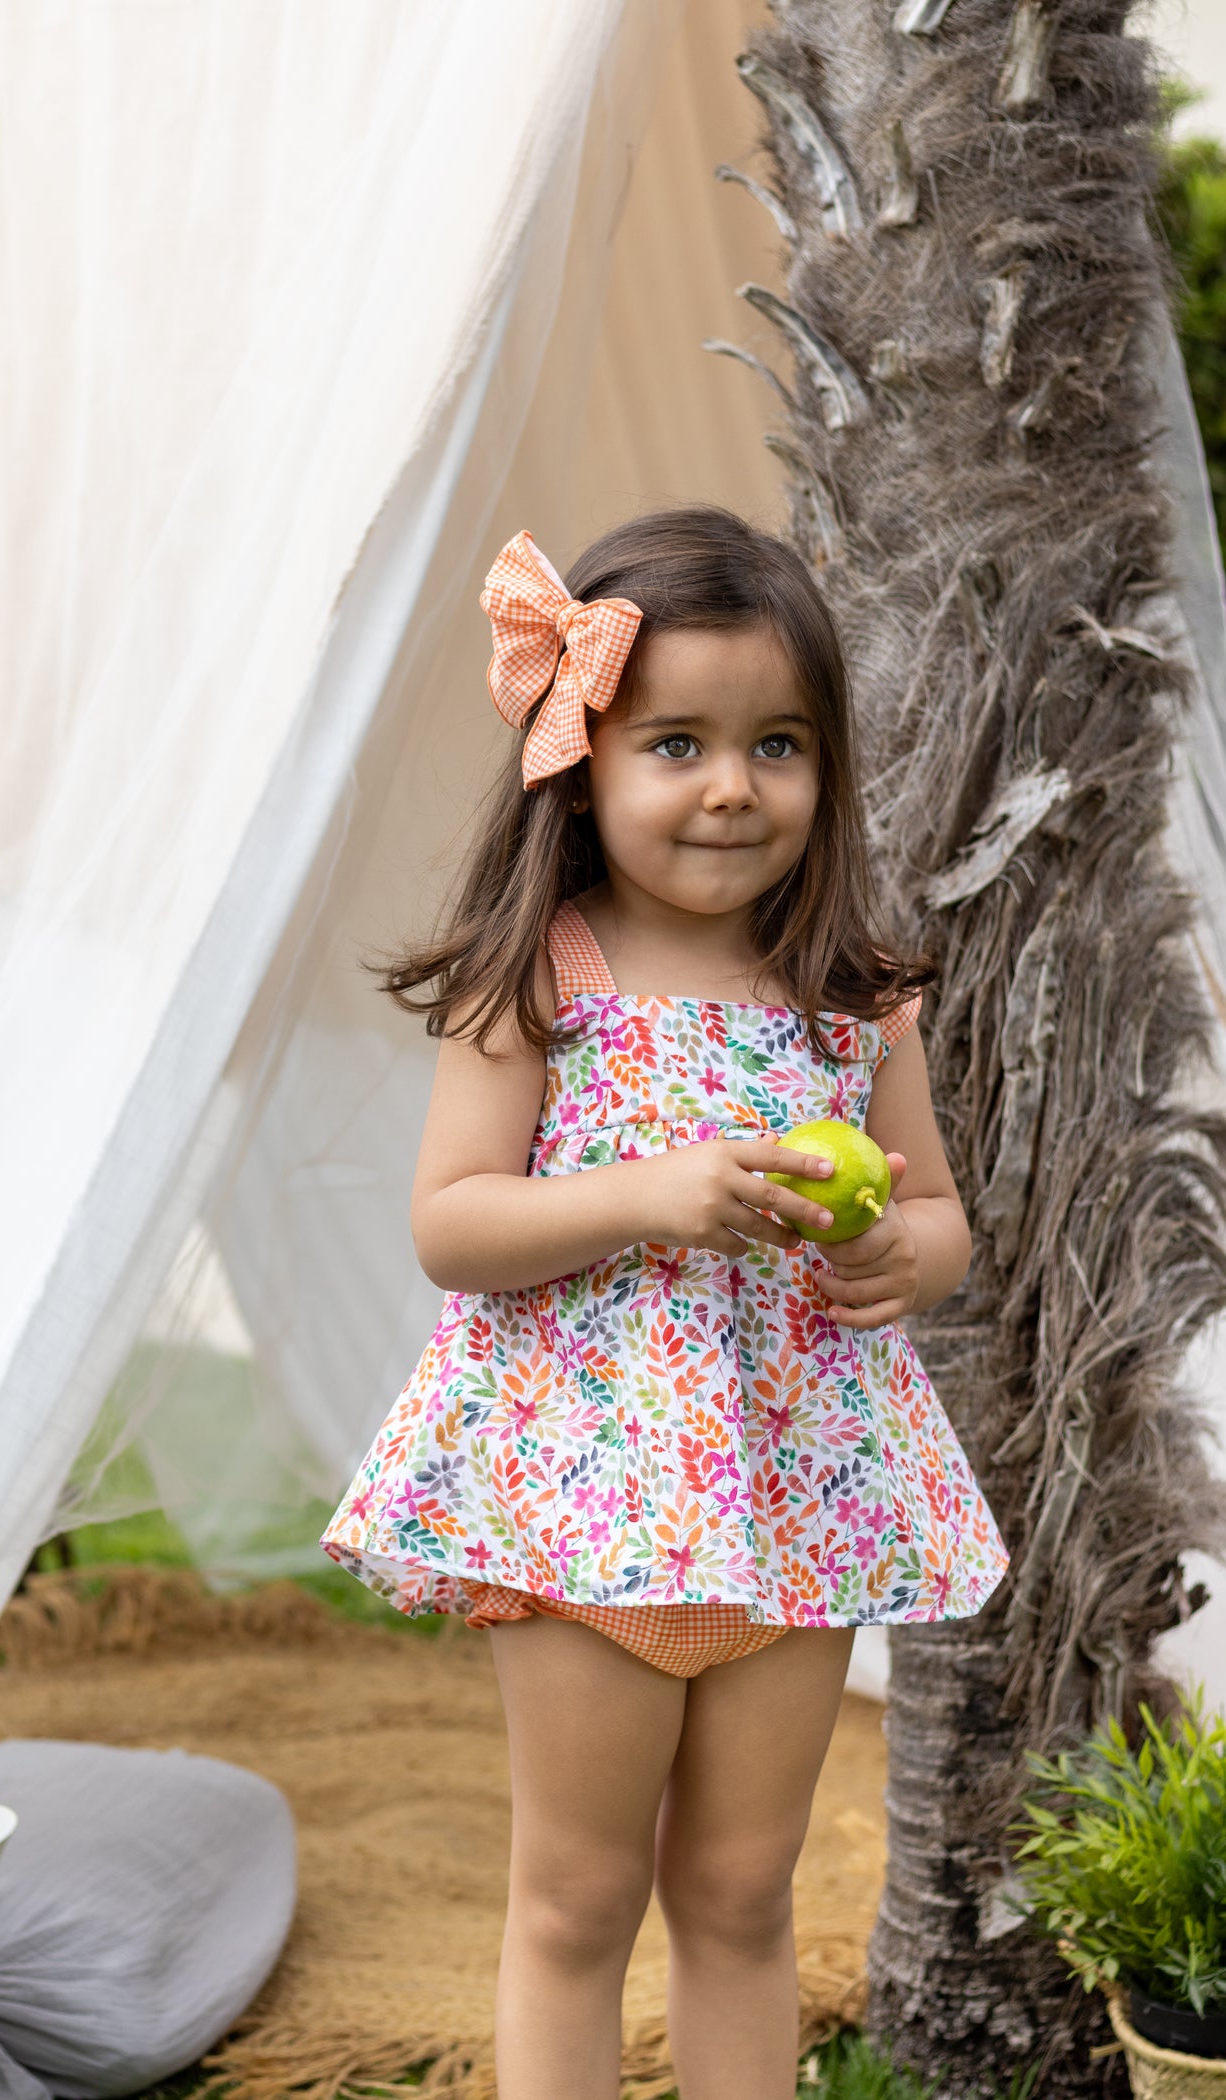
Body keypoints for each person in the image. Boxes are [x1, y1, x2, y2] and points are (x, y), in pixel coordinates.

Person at [322, 506, 1009, 2100]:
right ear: (583, 758)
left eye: (777, 744)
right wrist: (653, 1193)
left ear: (826, 766)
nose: (730, 787)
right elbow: (453, 1222)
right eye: (679, 742)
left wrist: (900, 1259)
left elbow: (935, 1216)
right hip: (586, 1507)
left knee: (740, 1891)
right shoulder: (545, 976)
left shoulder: (854, 991)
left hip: (796, 1490)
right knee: (577, 1898)